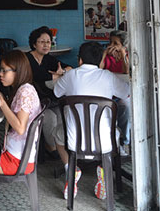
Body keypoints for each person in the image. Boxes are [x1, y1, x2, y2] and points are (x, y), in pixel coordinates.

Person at [48, 41, 131, 200]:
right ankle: (103, 168)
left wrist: (59, 78)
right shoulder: (107, 76)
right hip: (105, 142)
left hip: (73, 141)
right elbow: (126, 93)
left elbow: (57, 93)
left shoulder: (71, 76)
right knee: (115, 132)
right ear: (101, 60)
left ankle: (70, 169)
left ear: (79, 60)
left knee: (56, 133)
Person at [0, 50, 42, 175]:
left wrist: (2, 103)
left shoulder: (25, 92)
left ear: (18, 71)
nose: (0, 74)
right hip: (14, 152)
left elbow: (20, 128)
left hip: (17, 160)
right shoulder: (23, 89)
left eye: (5, 70)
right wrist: (1, 97)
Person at [100, 30, 131, 155]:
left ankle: (124, 140)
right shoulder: (107, 57)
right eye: (110, 43)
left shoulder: (127, 56)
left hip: (123, 93)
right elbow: (99, 69)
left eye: (115, 43)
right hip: (108, 93)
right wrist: (104, 54)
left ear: (123, 45)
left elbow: (126, 72)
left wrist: (123, 54)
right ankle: (111, 143)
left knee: (126, 105)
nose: (111, 46)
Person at [25, 26, 67, 100]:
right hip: (30, 94)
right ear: (34, 44)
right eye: (42, 42)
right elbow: (37, 76)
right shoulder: (26, 58)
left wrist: (63, 71)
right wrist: (57, 76)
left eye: (48, 42)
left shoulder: (47, 57)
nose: (46, 45)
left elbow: (69, 67)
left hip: (44, 91)